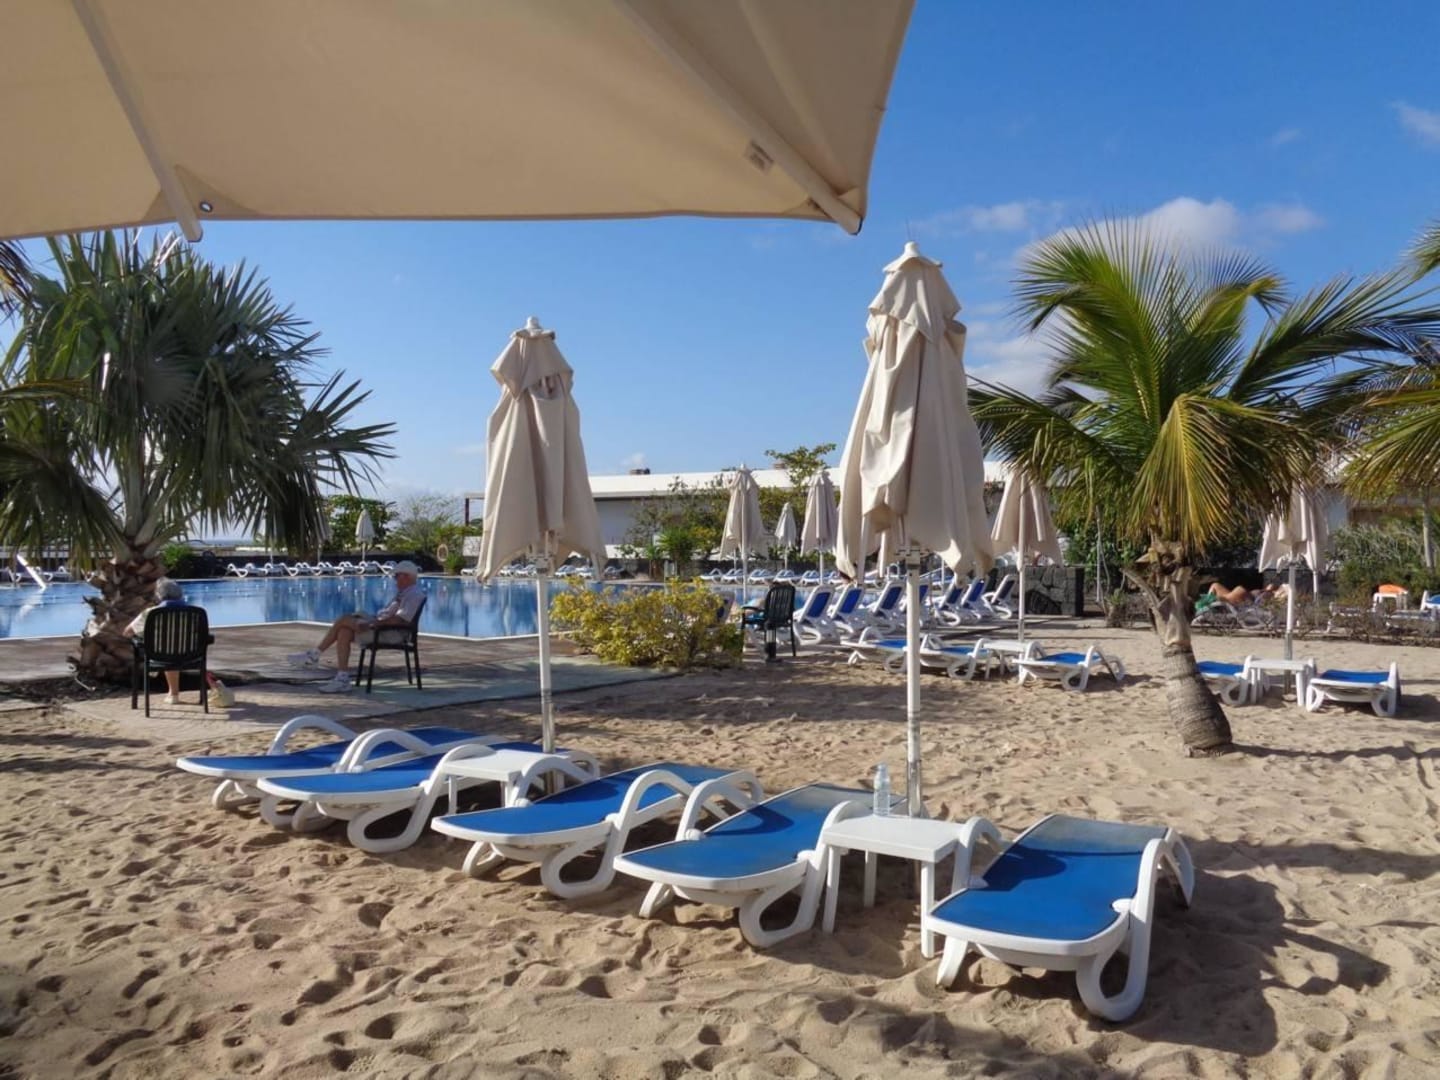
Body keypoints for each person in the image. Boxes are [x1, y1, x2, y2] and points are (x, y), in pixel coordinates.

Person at [287, 560, 424, 693]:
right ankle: (342, 678)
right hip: (381, 627)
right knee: (343, 631)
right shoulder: (405, 593)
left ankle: (314, 656)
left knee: (344, 620)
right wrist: (372, 620)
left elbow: (400, 620)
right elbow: (390, 615)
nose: (395, 579)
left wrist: (371, 624)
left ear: (406, 576)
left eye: (397, 576)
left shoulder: (414, 595)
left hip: (390, 633)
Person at [124, 577, 191, 704]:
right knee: (173, 649)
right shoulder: (194, 612)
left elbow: (127, 632)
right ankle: (173, 694)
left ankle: (173, 694)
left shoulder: (151, 613)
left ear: (159, 595)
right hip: (189, 655)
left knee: (167, 650)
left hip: (160, 654)